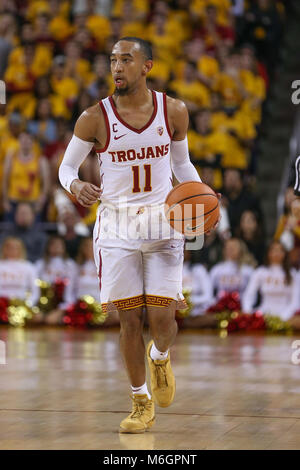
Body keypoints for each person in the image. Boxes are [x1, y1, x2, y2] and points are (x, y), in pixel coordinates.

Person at [59, 37, 219, 434]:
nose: (116, 67)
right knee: (128, 321)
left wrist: (203, 202)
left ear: (146, 66)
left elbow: (183, 167)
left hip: (163, 223)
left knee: (164, 320)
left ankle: (160, 356)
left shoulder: (173, 111)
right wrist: (75, 186)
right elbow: (66, 169)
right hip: (116, 227)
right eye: (112, 60)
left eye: (126, 60)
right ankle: (140, 400)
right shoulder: (93, 118)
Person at [242, 241, 299, 321]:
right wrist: (247, 310)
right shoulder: (260, 272)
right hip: (264, 313)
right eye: (273, 250)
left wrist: (283, 318)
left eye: (280, 250)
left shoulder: (292, 273)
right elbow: (249, 294)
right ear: (268, 253)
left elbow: (295, 301)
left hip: (287, 316)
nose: (276, 253)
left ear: (285, 254)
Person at [0, 237, 39, 306]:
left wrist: (28, 305)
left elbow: (35, 291)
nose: (12, 250)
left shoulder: (28, 266)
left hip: (22, 303)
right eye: (9, 247)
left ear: (21, 250)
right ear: (4, 249)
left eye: (16, 248)